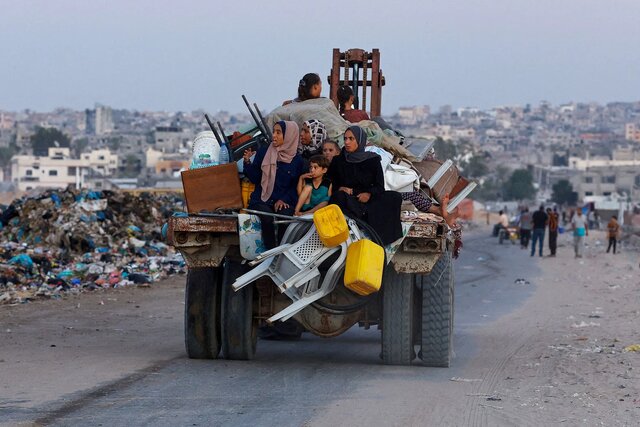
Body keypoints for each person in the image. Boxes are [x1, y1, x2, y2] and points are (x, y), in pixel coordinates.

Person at [327, 125, 402, 245]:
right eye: (345, 138)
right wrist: (340, 188)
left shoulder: (372, 160)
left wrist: (369, 194)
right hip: (348, 200)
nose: (347, 142)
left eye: (351, 139)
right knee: (338, 197)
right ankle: (359, 221)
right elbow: (329, 182)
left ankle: (381, 241)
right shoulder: (338, 160)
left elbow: (379, 186)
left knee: (394, 197)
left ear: (360, 140)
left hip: (367, 199)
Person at [243, 120, 304, 249]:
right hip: (262, 199)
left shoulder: (297, 160)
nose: (274, 136)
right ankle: (270, 253)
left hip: (283, 199)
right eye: (274, 132)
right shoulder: (264, 152)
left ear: (289, 136)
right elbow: (256, 178)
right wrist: (247, 163)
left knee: (285, 218)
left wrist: (284, 199)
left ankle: (282, 251)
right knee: (267, 218)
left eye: (279, 133)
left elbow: (296, 186)